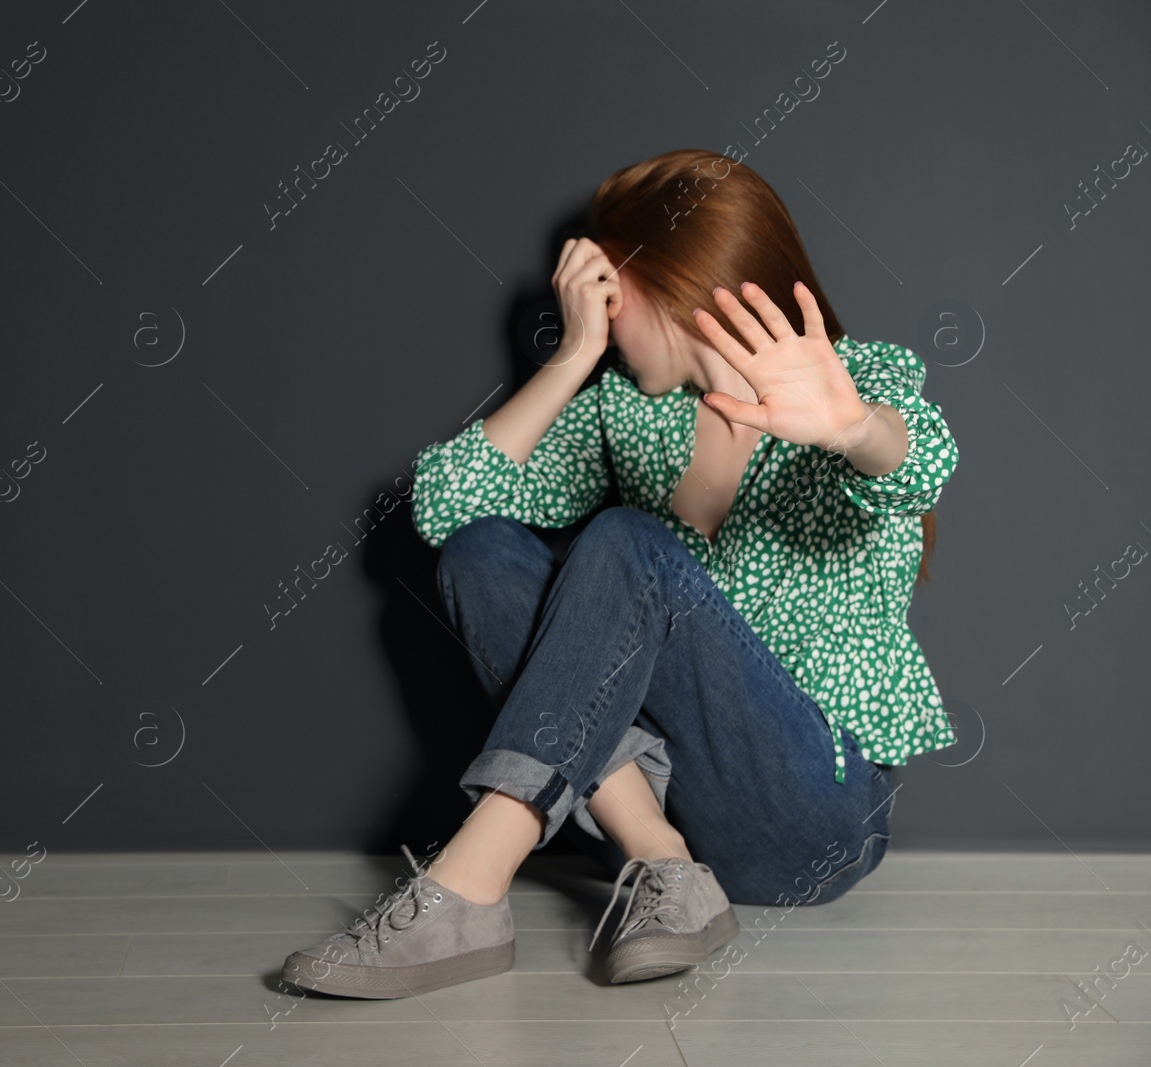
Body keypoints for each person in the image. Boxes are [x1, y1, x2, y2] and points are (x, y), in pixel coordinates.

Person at [280, 149, 960, 998]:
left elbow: (922, 463)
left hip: (808, 820)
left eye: (608, 291)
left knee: (629, 538)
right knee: (482, 549)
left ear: (673, 284)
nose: (597, 311)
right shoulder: (627, 412)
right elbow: (444, 506)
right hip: (646, 826)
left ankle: (466, 887)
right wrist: (570, 358)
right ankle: (664, 863)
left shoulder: (848, 383)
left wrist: (853, 427)